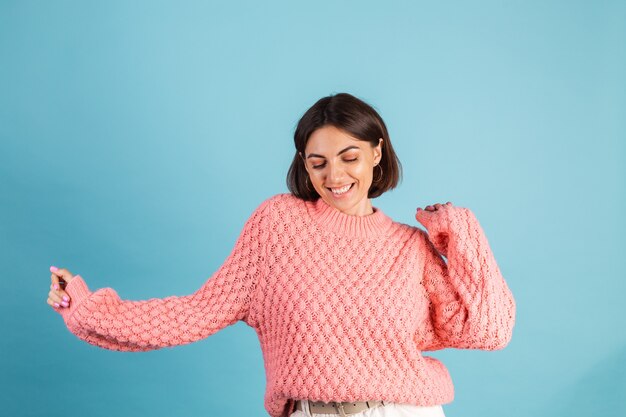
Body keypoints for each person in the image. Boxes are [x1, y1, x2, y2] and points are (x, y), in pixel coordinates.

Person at [47, 92, 516, 417]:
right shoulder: (278, 226)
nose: (334, 176)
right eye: (318, 163)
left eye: (349, 157)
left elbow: (487, 331)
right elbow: (194, 313)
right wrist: (86, 309)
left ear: (377, 153)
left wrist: (460, 231)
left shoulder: (410, 248)